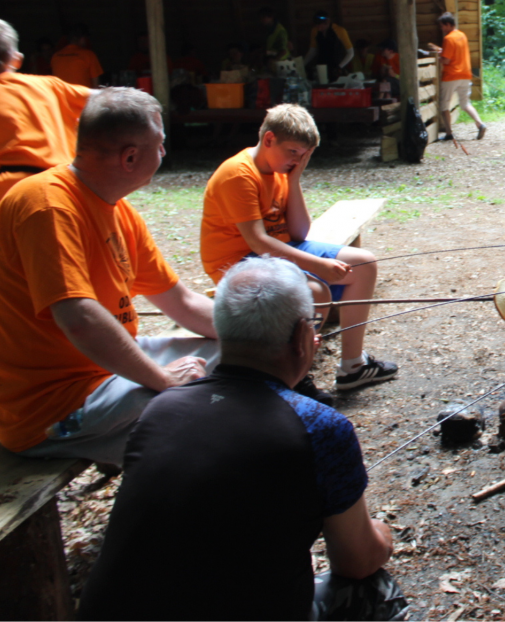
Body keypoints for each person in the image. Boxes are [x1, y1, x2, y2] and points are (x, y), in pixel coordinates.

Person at [76, 256, 398, 621]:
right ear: (302, 338)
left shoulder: (160, 408)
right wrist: (381, 535)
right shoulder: (319, 426)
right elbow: (357, 562)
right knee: (375, 588)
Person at [0, 87, 220, 466]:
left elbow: (182, 302)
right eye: (160, 145)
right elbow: (79, 320)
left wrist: (261, 334)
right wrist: (165, 380)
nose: (164, 152)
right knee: (210, 406)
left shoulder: (118, 211)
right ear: (130, 157)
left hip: (106, 369)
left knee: (241, 355)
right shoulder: (47, 206)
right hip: (51, 404)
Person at [200, 103, 397, 397]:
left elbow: (299, 233)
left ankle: (353, 366)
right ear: (269, 139)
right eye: (293, 152)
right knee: (315, 292)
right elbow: (258, 242)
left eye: (304, 155)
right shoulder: (238, 174)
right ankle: (295, 377)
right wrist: (316, 266)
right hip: (237, 262)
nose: (297, 160)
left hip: (278, 249)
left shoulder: (281, 169)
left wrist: (294, 181)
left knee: (363, 264)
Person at [0, 14, 93, 241]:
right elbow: (104, 99)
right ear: (17, 59)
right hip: (67, 189)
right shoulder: (49, 86)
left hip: (11, 195)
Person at [429, 11, 488, 140]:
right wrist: (442, 51)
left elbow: (446, 60)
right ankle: (480, 124)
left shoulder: (448, 38)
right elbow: (455, 52)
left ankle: (449, 133)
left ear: (448, 24)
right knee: (465, 103)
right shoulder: (462, 35)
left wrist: (437, 57)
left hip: (451, 76)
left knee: (444, 105)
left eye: (443, 26)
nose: (442, 28)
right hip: (465, 74)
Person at [49, 23, 103, 88]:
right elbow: (96, 85)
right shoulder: (89, 55)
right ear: (82, 38)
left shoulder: (55, 56)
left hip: (61, 94)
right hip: (81, 94)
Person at [306, 12, 355, 78]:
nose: (319, 28)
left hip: (336, 66)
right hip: (321, 67)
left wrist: (339, 67)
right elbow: (313, 51)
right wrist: (303, 63)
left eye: (321, 26)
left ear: (327, 22)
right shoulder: (315, 31)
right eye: (317, 25)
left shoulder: (340, 31)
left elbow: (351, 53)